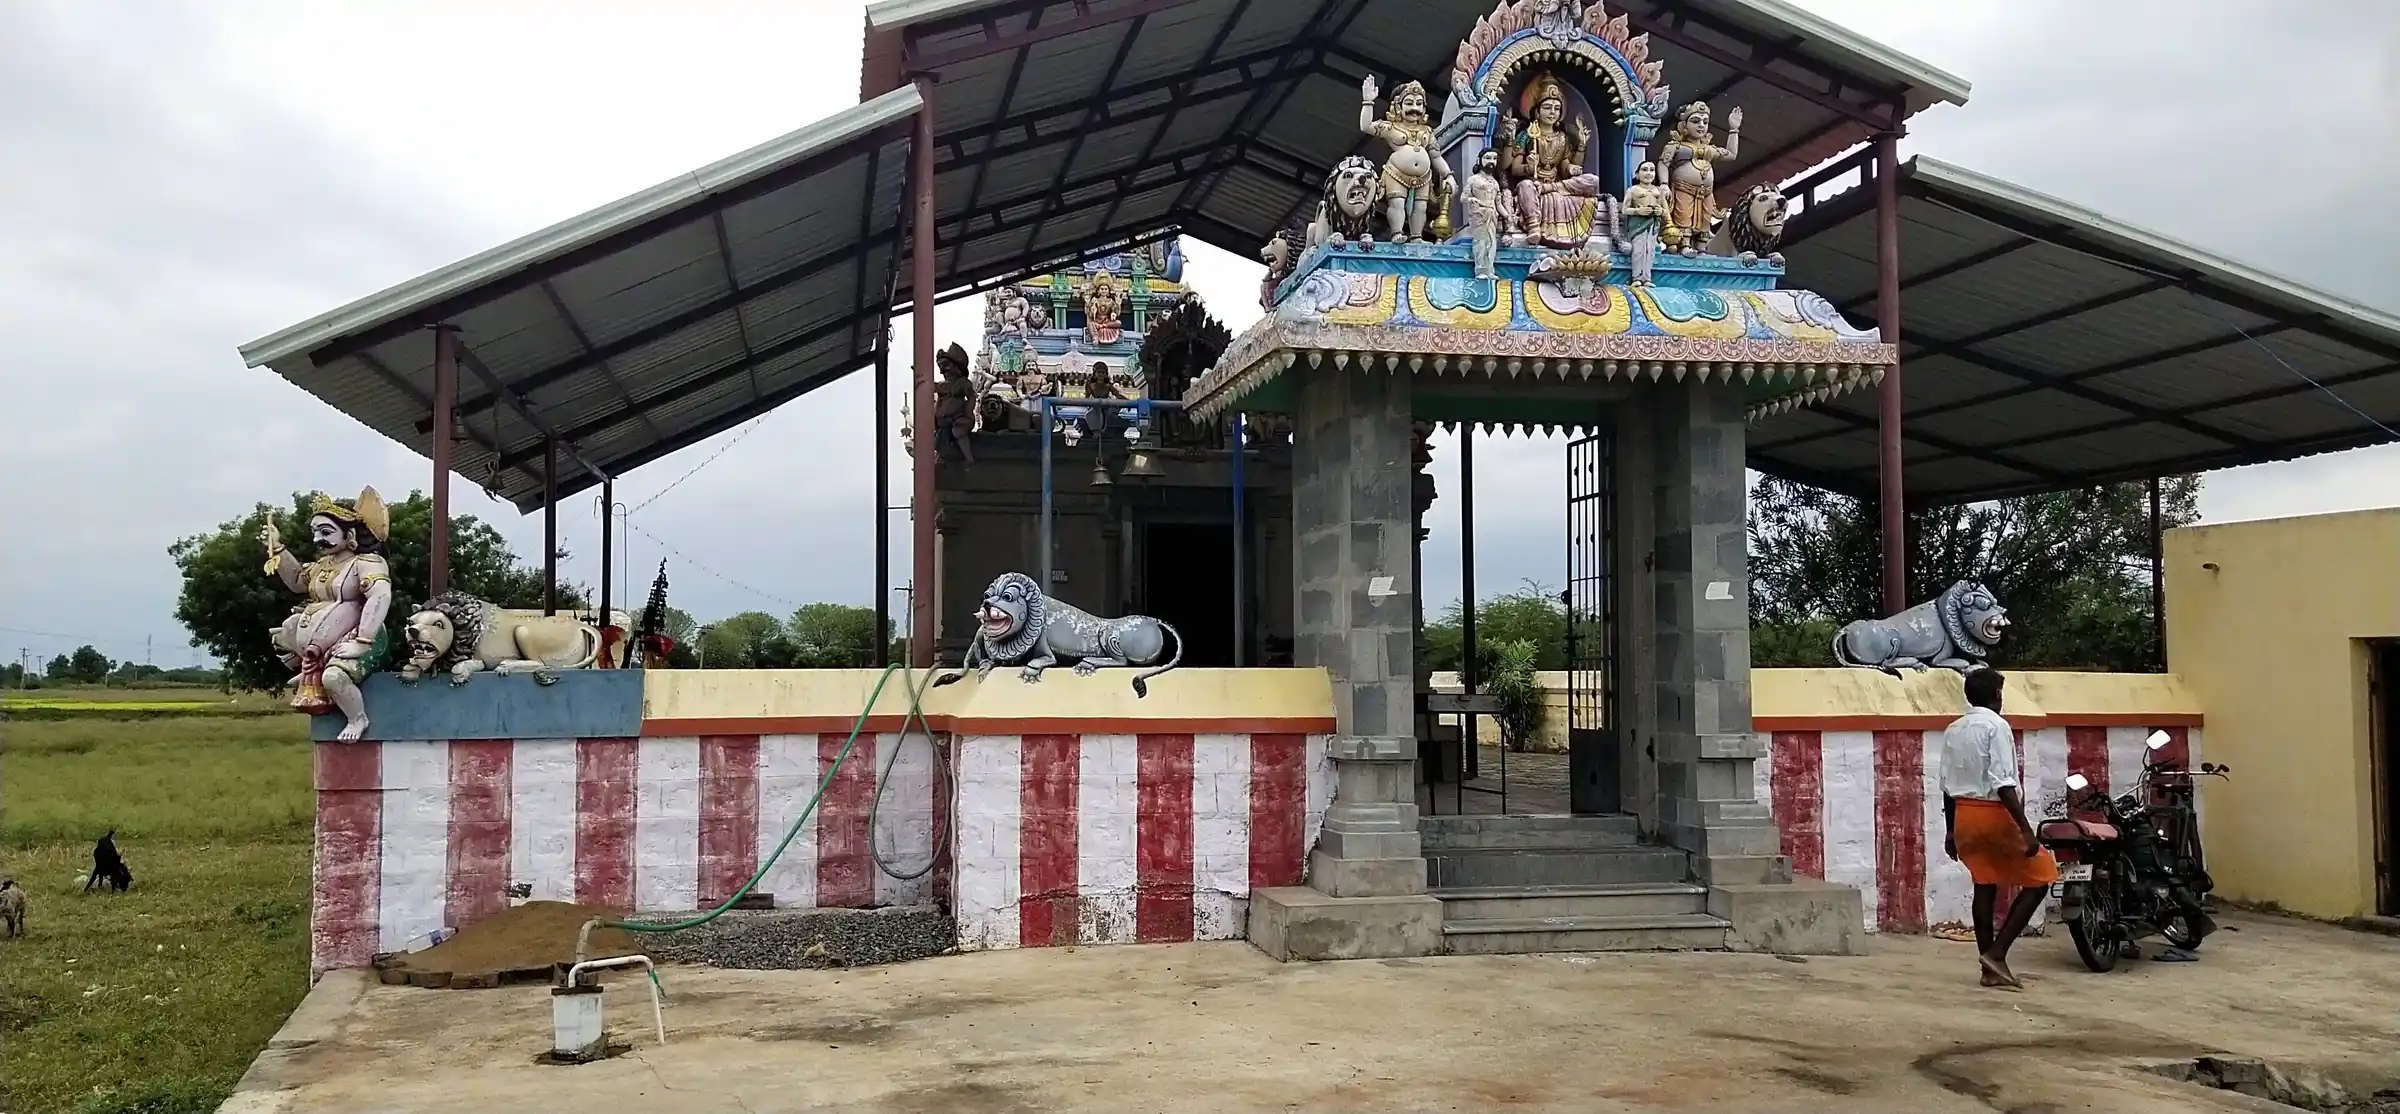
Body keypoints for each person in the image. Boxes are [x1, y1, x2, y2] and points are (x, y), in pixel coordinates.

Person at [1940, 667, 2056, 989]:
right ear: (1997, 695)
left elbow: (1947, 785)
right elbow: (2003, 783)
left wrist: (1950, 831)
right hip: (1993, 813)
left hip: (1964, 816)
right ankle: (1997, 954)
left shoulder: (1953, 729)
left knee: (1984, 883)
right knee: (2042, 876)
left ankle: (1989, 970)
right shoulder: (1997, 726)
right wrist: (2026, 829)